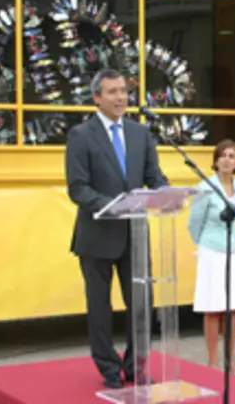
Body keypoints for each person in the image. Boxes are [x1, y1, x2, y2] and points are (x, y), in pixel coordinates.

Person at [65, 68, 168, 388]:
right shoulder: (81, 136)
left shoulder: (141, 134)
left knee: (142, 305)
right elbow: (78, 188)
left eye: (124, 90)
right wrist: (110, 205)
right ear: (97, 98)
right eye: (112, 92)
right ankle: (108, 368)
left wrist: (165, 193)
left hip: (135, 235)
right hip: (97, 235)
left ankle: (136, 366)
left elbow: (156, 176)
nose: (121, 97)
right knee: (100, 307)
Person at [187, 139, 235, 378]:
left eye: (232, 156)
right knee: (213, 307)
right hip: (212, 251)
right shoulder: (205, 186)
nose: (227, 159)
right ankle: (213, 361)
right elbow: (194, 223)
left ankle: (231, 361)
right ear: (216, 161)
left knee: (231, 308)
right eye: (223, 155)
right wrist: (204, 245)